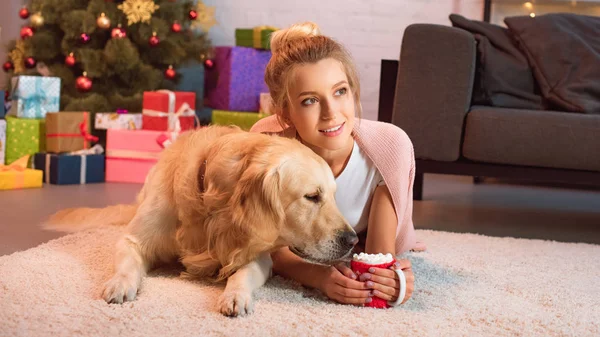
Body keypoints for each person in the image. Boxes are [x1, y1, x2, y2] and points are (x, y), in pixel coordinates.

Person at [250, 22, 426, 307]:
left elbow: (378, 253)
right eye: (309, 101)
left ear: (353, 90)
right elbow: (264, 245)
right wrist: (319, 277)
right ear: (285, 112)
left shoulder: (389, 147)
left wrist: (392, 281)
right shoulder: (266, 143)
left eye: (340, 91)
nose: (331, 114)